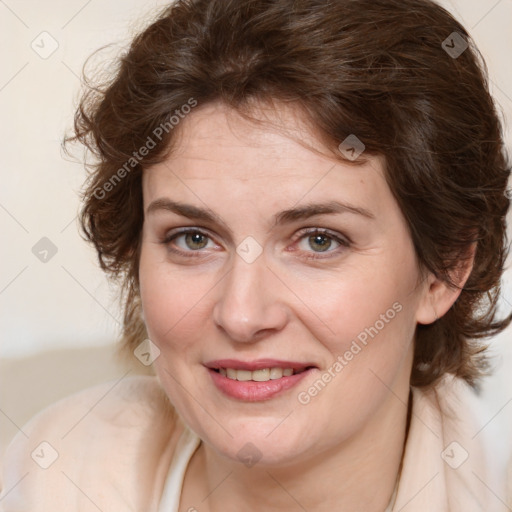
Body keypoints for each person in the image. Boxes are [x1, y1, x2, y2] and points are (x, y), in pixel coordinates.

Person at [1, 0, 511, 510]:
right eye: (193, 238)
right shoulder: (46, 479)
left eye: (319, 240)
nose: (241, 315)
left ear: (444, 270)